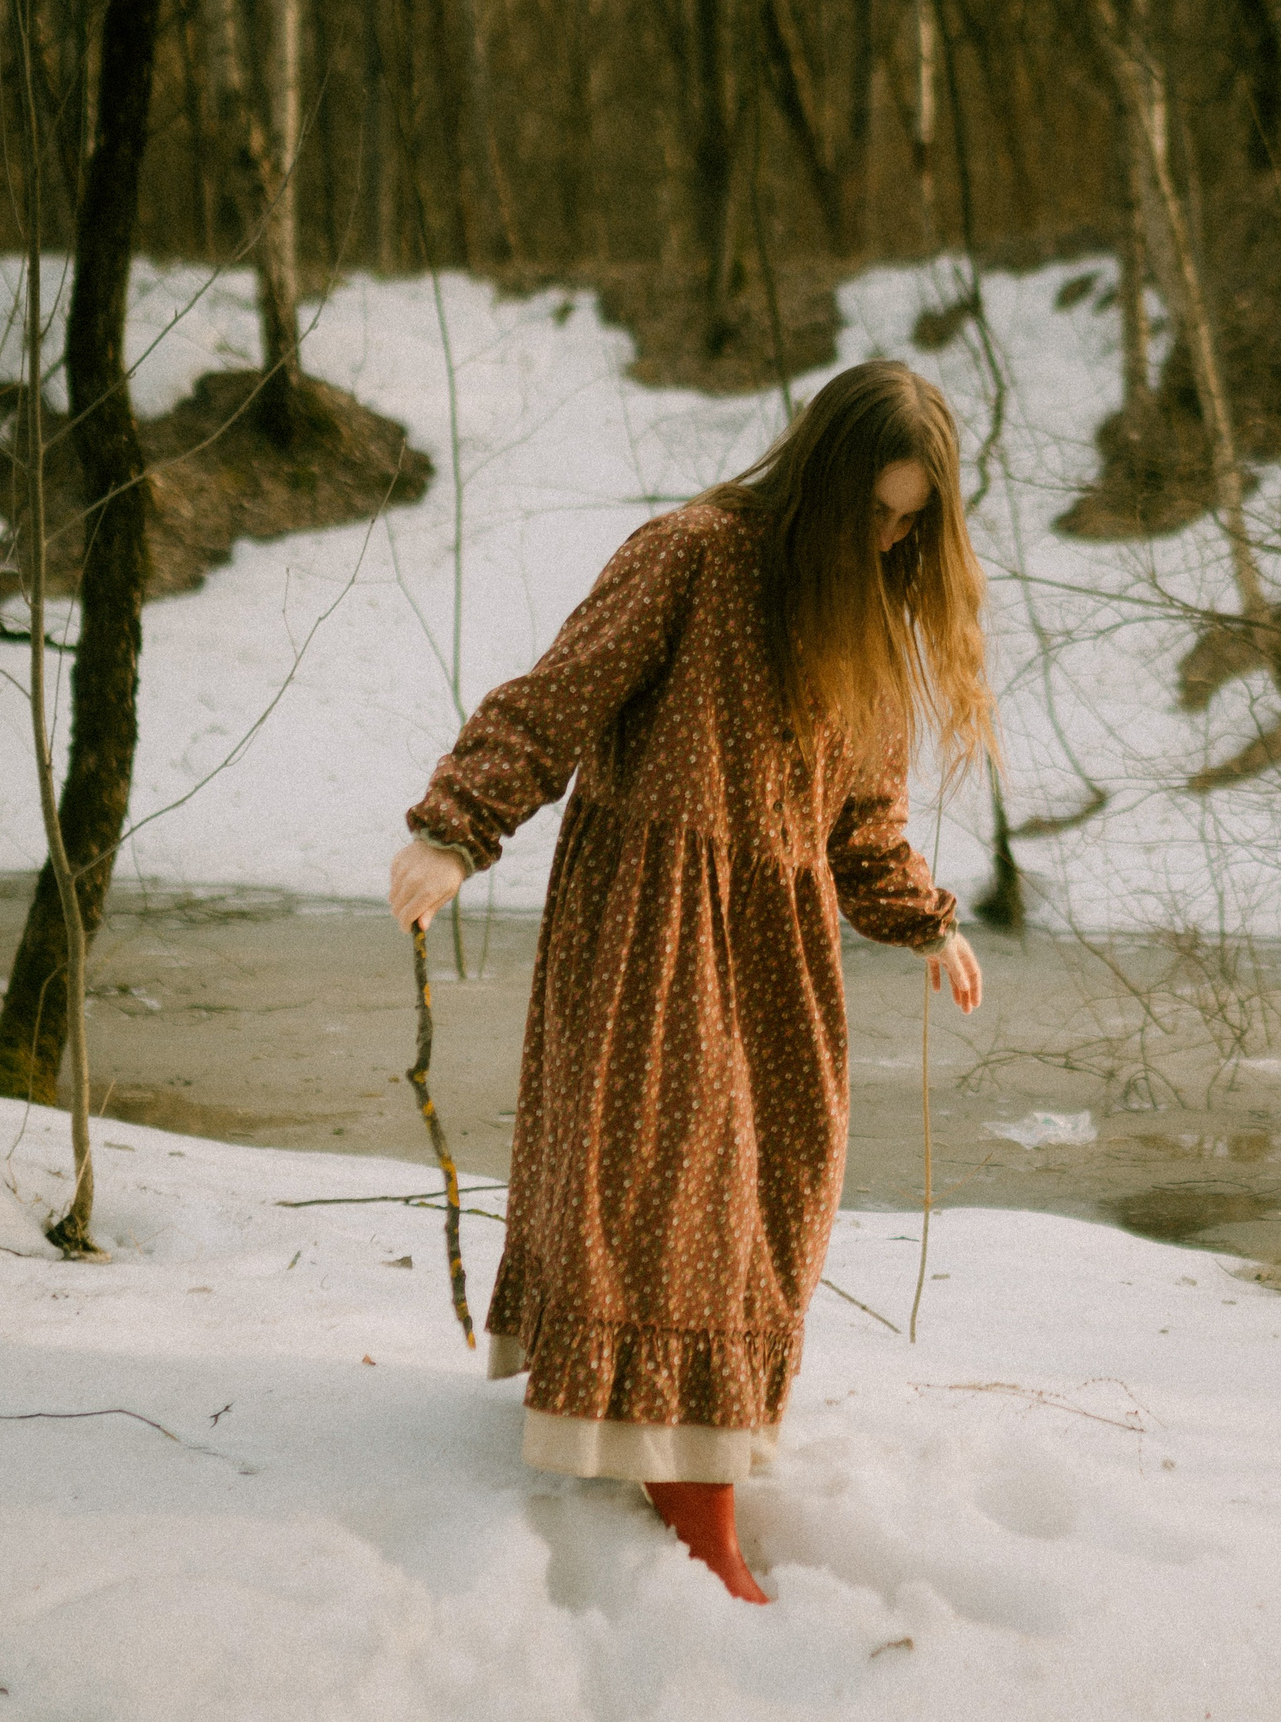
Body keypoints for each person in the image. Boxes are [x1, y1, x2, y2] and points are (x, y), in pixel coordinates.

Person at [388, 361, 991, 1604]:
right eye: (874, 512)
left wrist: (923, 923)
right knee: (677, 1188)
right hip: (649, 931)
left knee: (779, 1187)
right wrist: (455, 828)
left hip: (776, 950)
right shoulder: (690, 556)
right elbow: (555, 701)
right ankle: (692, 1498)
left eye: (910, 523)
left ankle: (679, 1440)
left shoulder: (867, 614)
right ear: (818, 483)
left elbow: (861, 819)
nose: (888, 540)